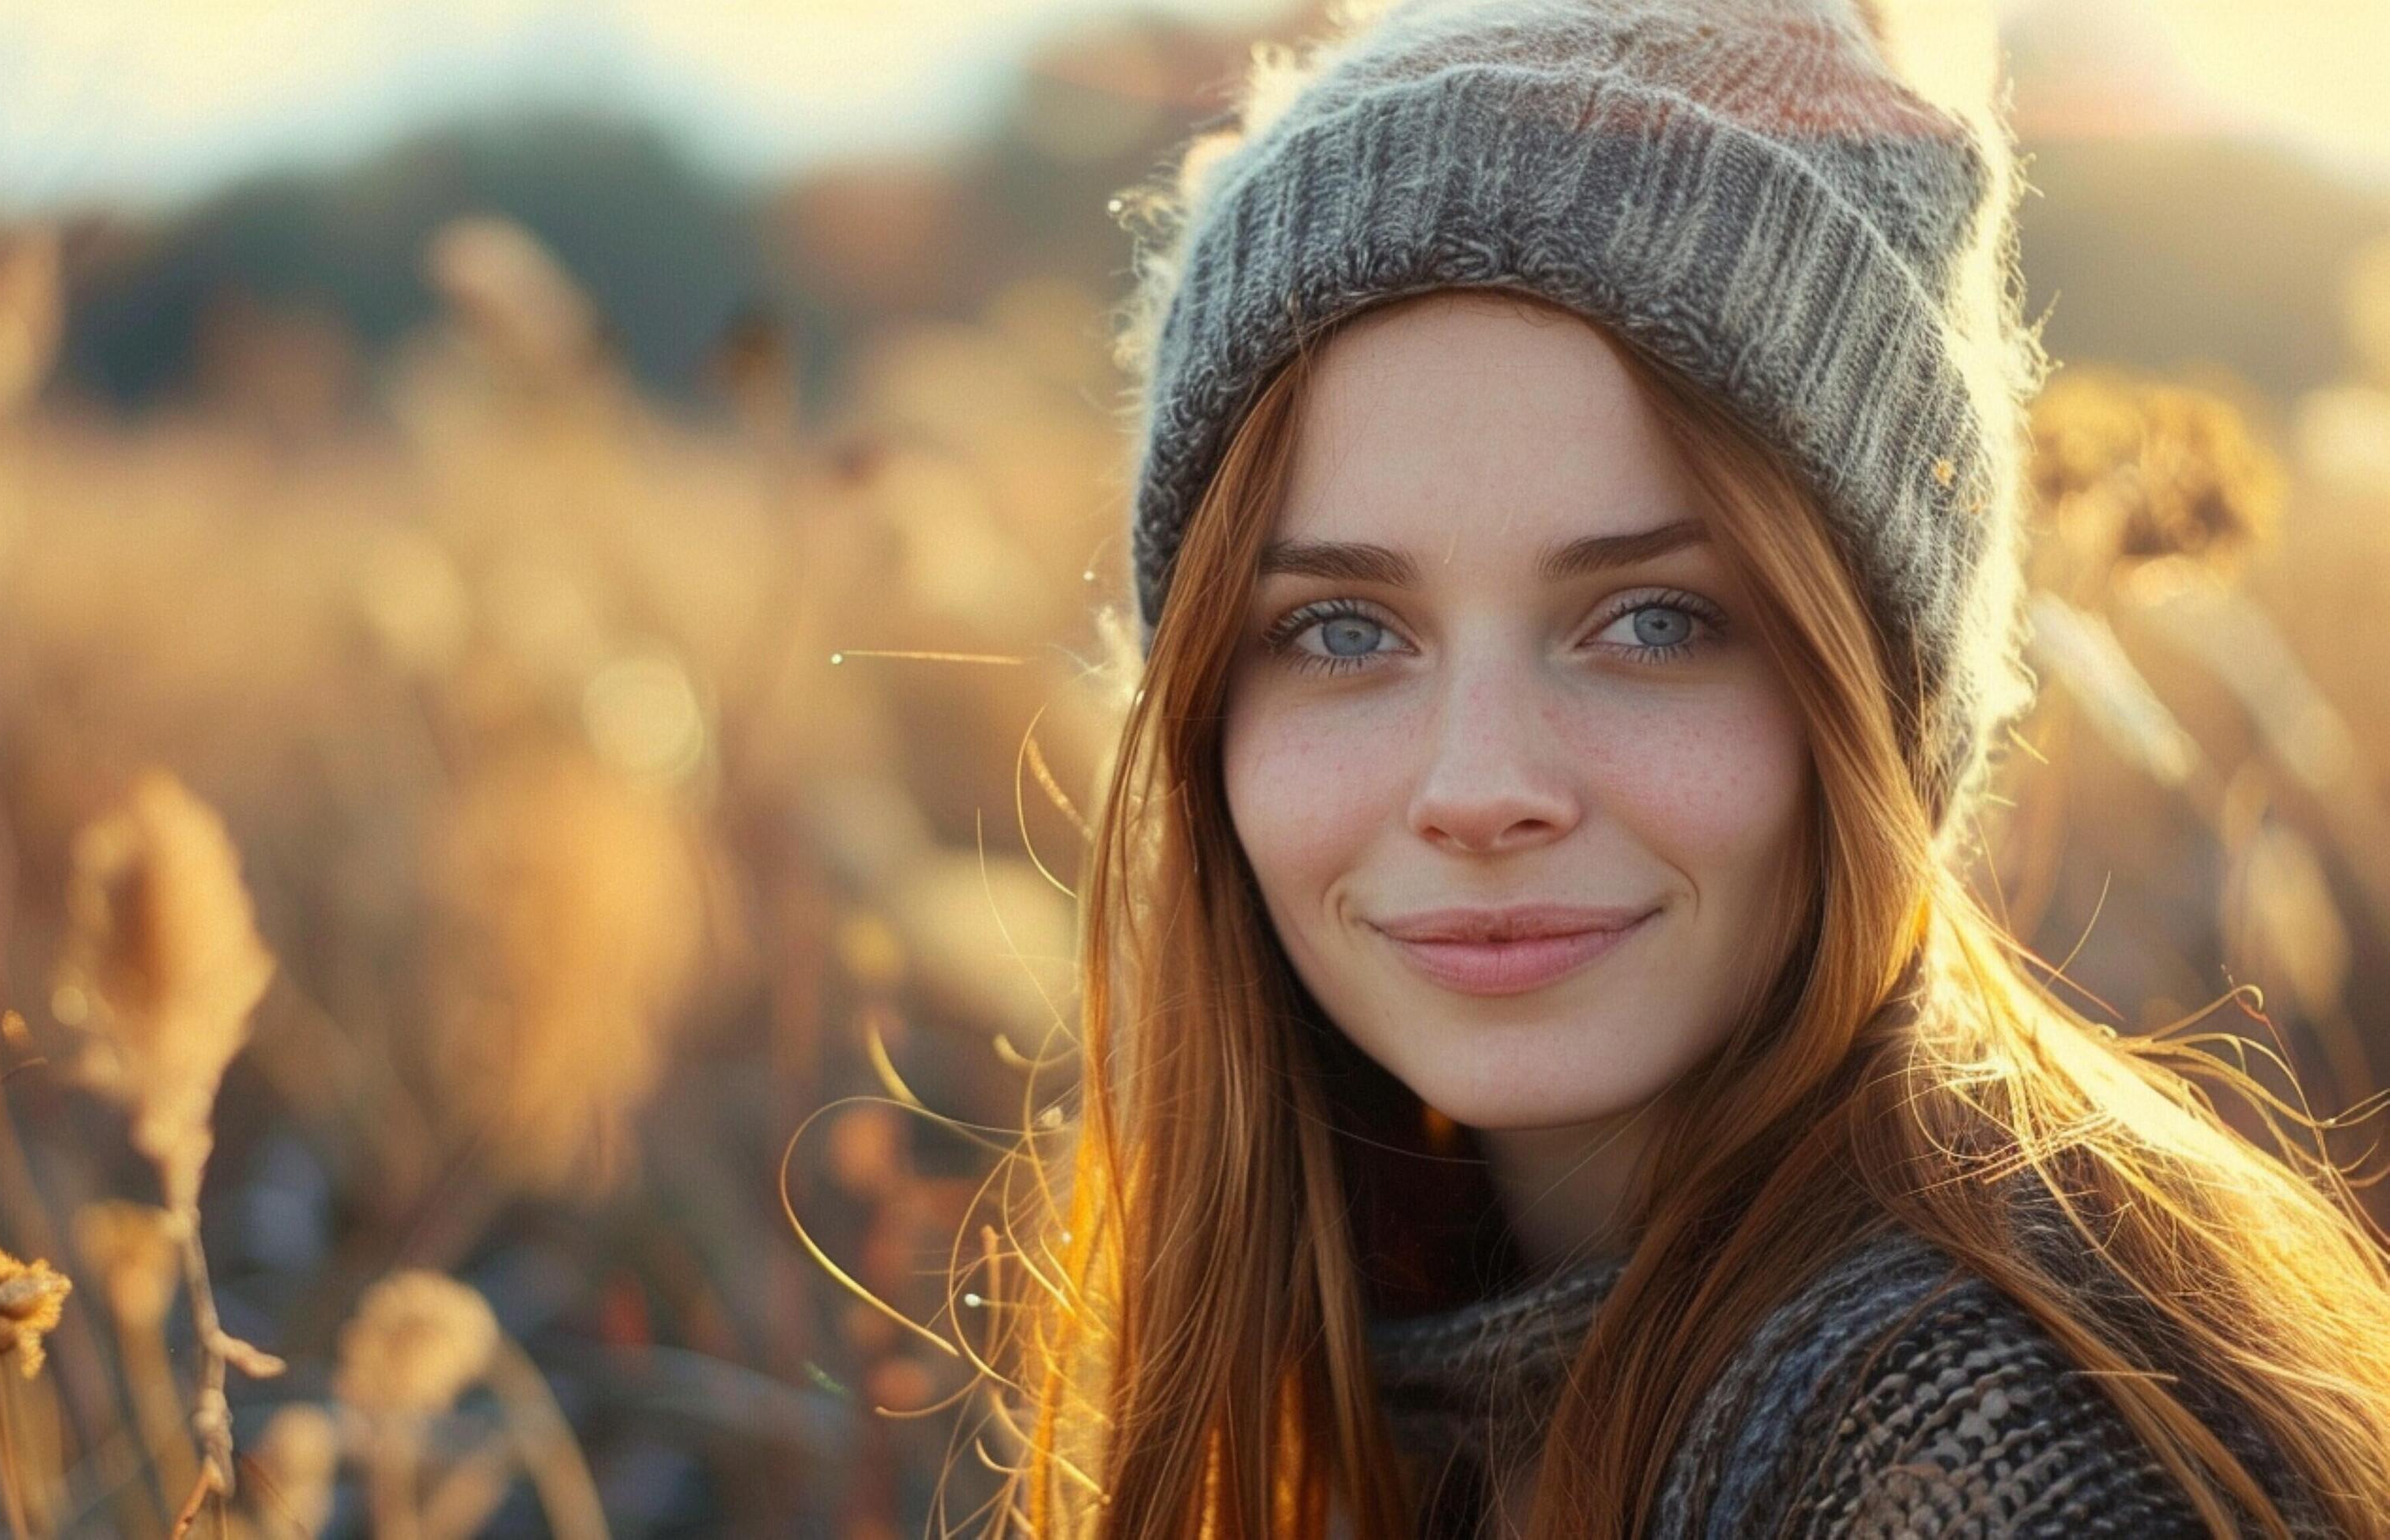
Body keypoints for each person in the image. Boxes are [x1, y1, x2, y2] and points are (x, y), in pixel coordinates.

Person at [979, 0, 2390, 1534]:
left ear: (1872, 696)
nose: (1479, 783)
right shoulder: (1407, 1347)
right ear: (1198, 708)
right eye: (1336, 630)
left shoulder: (1986, 1468)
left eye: (1652, 619)